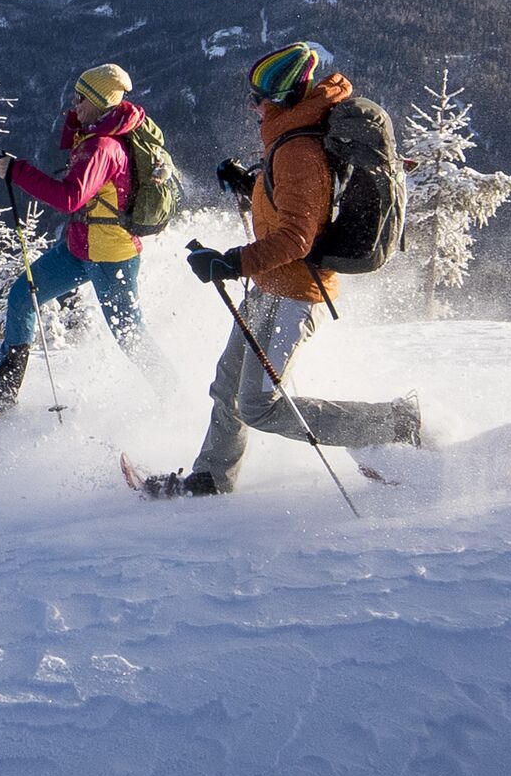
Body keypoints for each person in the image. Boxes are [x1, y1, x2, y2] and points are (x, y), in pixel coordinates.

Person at [145, 40, 422, 497]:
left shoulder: (298, 149)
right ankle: (212, 477)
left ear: (280, 100)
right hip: (271, 286)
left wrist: (229, 262)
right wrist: (250, 182)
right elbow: (297, 203)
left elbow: (298, 237)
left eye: (257, 97)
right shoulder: (292, 139)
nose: (251, 104)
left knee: (258, 404)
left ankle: (394, 422)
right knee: (227, 387)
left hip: (293, 294)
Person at [0, 62, 159, 411]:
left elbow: (69, 199)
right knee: (23, 295)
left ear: (98, 100)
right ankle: (1, 389)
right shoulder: (94, 137)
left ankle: (174, 395)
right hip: (80, 248)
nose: (75, 104)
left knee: (130, 333)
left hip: (111, 255)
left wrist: (18, 171)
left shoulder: (103, 147)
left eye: (81, 97)